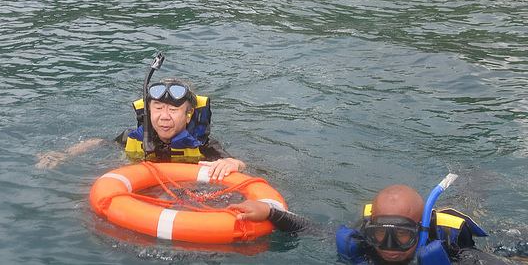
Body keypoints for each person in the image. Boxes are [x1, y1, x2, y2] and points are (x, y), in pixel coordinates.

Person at [228, 184, 515, 264]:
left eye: (402, 236)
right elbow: (310, 229)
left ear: (421, 230)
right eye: (380, 235)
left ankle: (476, 186)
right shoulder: (364, 243)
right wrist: (268, 211)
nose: (388, 248)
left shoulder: (453, 251)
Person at [37, 78, 245, 181]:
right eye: (158, 108)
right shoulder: (134, 137)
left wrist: (232, 163)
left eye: (174, 110)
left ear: (188, 115)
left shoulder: (204, 145)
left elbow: (236, 163)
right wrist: (64, 154)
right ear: (148, 111)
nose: (164, 116)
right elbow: (98, 142)